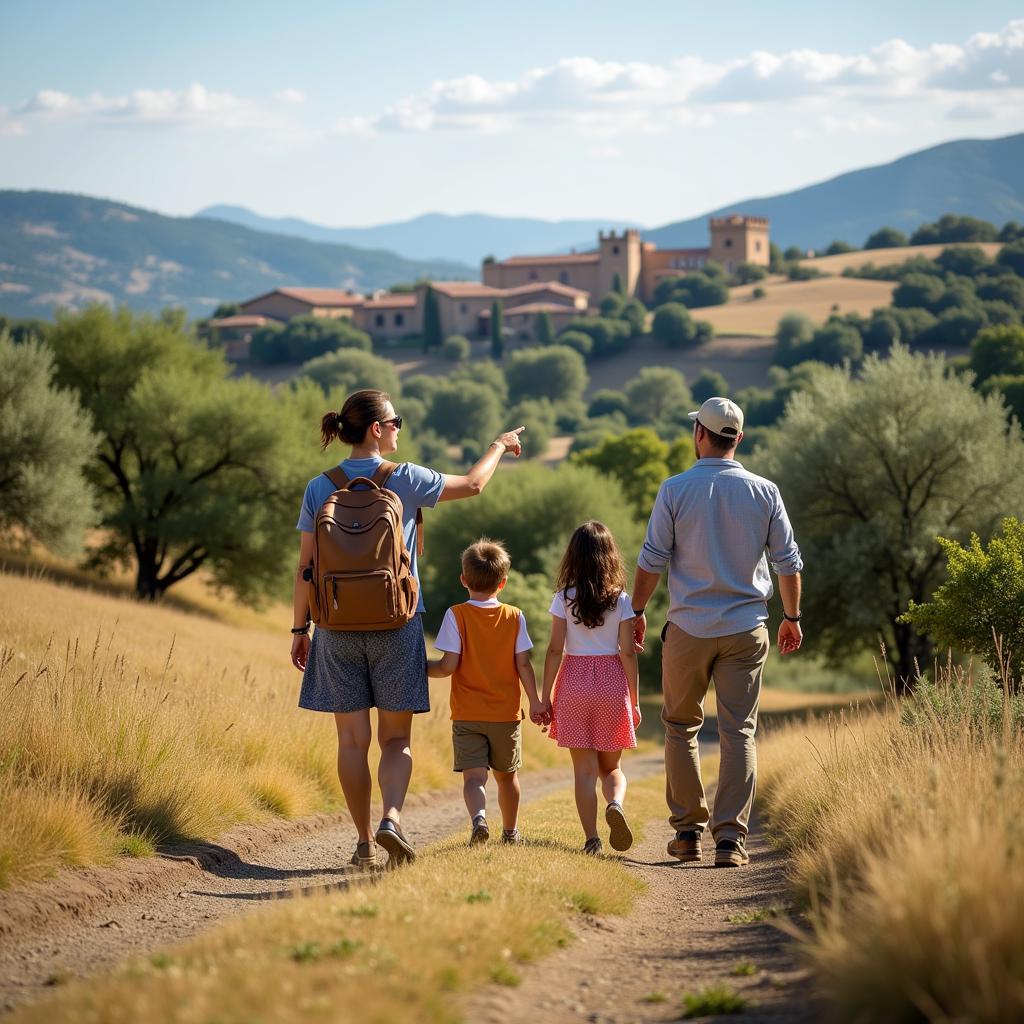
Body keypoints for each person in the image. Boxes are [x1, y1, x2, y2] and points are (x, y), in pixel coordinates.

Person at [290, 388, 524, 870]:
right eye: (397, 421)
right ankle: (391, 820)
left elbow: (306, 570)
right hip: (398, 625)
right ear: (376, 429)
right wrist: (499, 445)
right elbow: (474, 485)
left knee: (352, 742)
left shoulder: (320, 487)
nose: (400, 428)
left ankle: (361, 842)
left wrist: (300, 630)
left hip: (335, 628)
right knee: (396, 740)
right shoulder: (406, 478)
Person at [631, 397, 803, 868]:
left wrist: (638, 609)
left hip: (688, 626)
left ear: (699, 436)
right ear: (739, 439)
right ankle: (730, 841)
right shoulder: (765, 491)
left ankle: (687, 833)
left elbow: (651, 559)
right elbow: (788, 561)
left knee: (680, 727)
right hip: (748, 627)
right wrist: (792, 616)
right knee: (738, 733)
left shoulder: (674, 489)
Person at [427, 539, 547, 846]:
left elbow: (448, 666)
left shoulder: (456, 615)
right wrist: (535, 701)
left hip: (467, 713)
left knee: (474, 777)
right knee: (508, 778)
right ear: (503, 582)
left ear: (464, 579)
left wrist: (422, 667)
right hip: (505, 715)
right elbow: (523, 664)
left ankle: (479, 819)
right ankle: (510, 832)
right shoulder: (514, 616)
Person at [542, 521, 641, 856]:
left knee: (583, 771)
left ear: (574, 557)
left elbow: (555, 650)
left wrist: (544, 696)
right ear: (610, 557)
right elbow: (627, 652)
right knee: (611, 768)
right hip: (612, 682)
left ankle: (592, 840)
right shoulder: (621, 600)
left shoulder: (563, 598)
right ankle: (614, 803)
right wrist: (636, 702)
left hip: (573, 683)